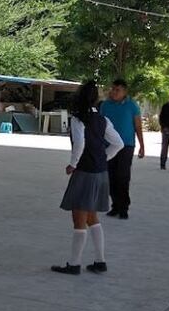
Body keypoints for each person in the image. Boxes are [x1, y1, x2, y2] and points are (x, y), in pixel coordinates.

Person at [51, 81, 125, 275]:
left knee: (79, 218)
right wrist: (103, 158)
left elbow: (80, 144)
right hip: (101, 172)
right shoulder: (103, 120)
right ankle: (100, 261)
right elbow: (118, 143)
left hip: (85, 172)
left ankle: (74, 264)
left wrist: (73, 164)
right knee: (92, 217)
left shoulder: (78, 119)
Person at [100, 79, 144, 219]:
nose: (113, 92)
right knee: (110, 176)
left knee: (123, 176)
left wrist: (142, 145)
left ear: (125, 91)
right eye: (112, 89)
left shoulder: (132, 105)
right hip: (108, 146)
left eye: (117, 90)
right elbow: (99, 125)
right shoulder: (105, 105)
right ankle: (115, 205)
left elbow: (137, 126)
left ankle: (124, 207)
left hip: (126, 146)